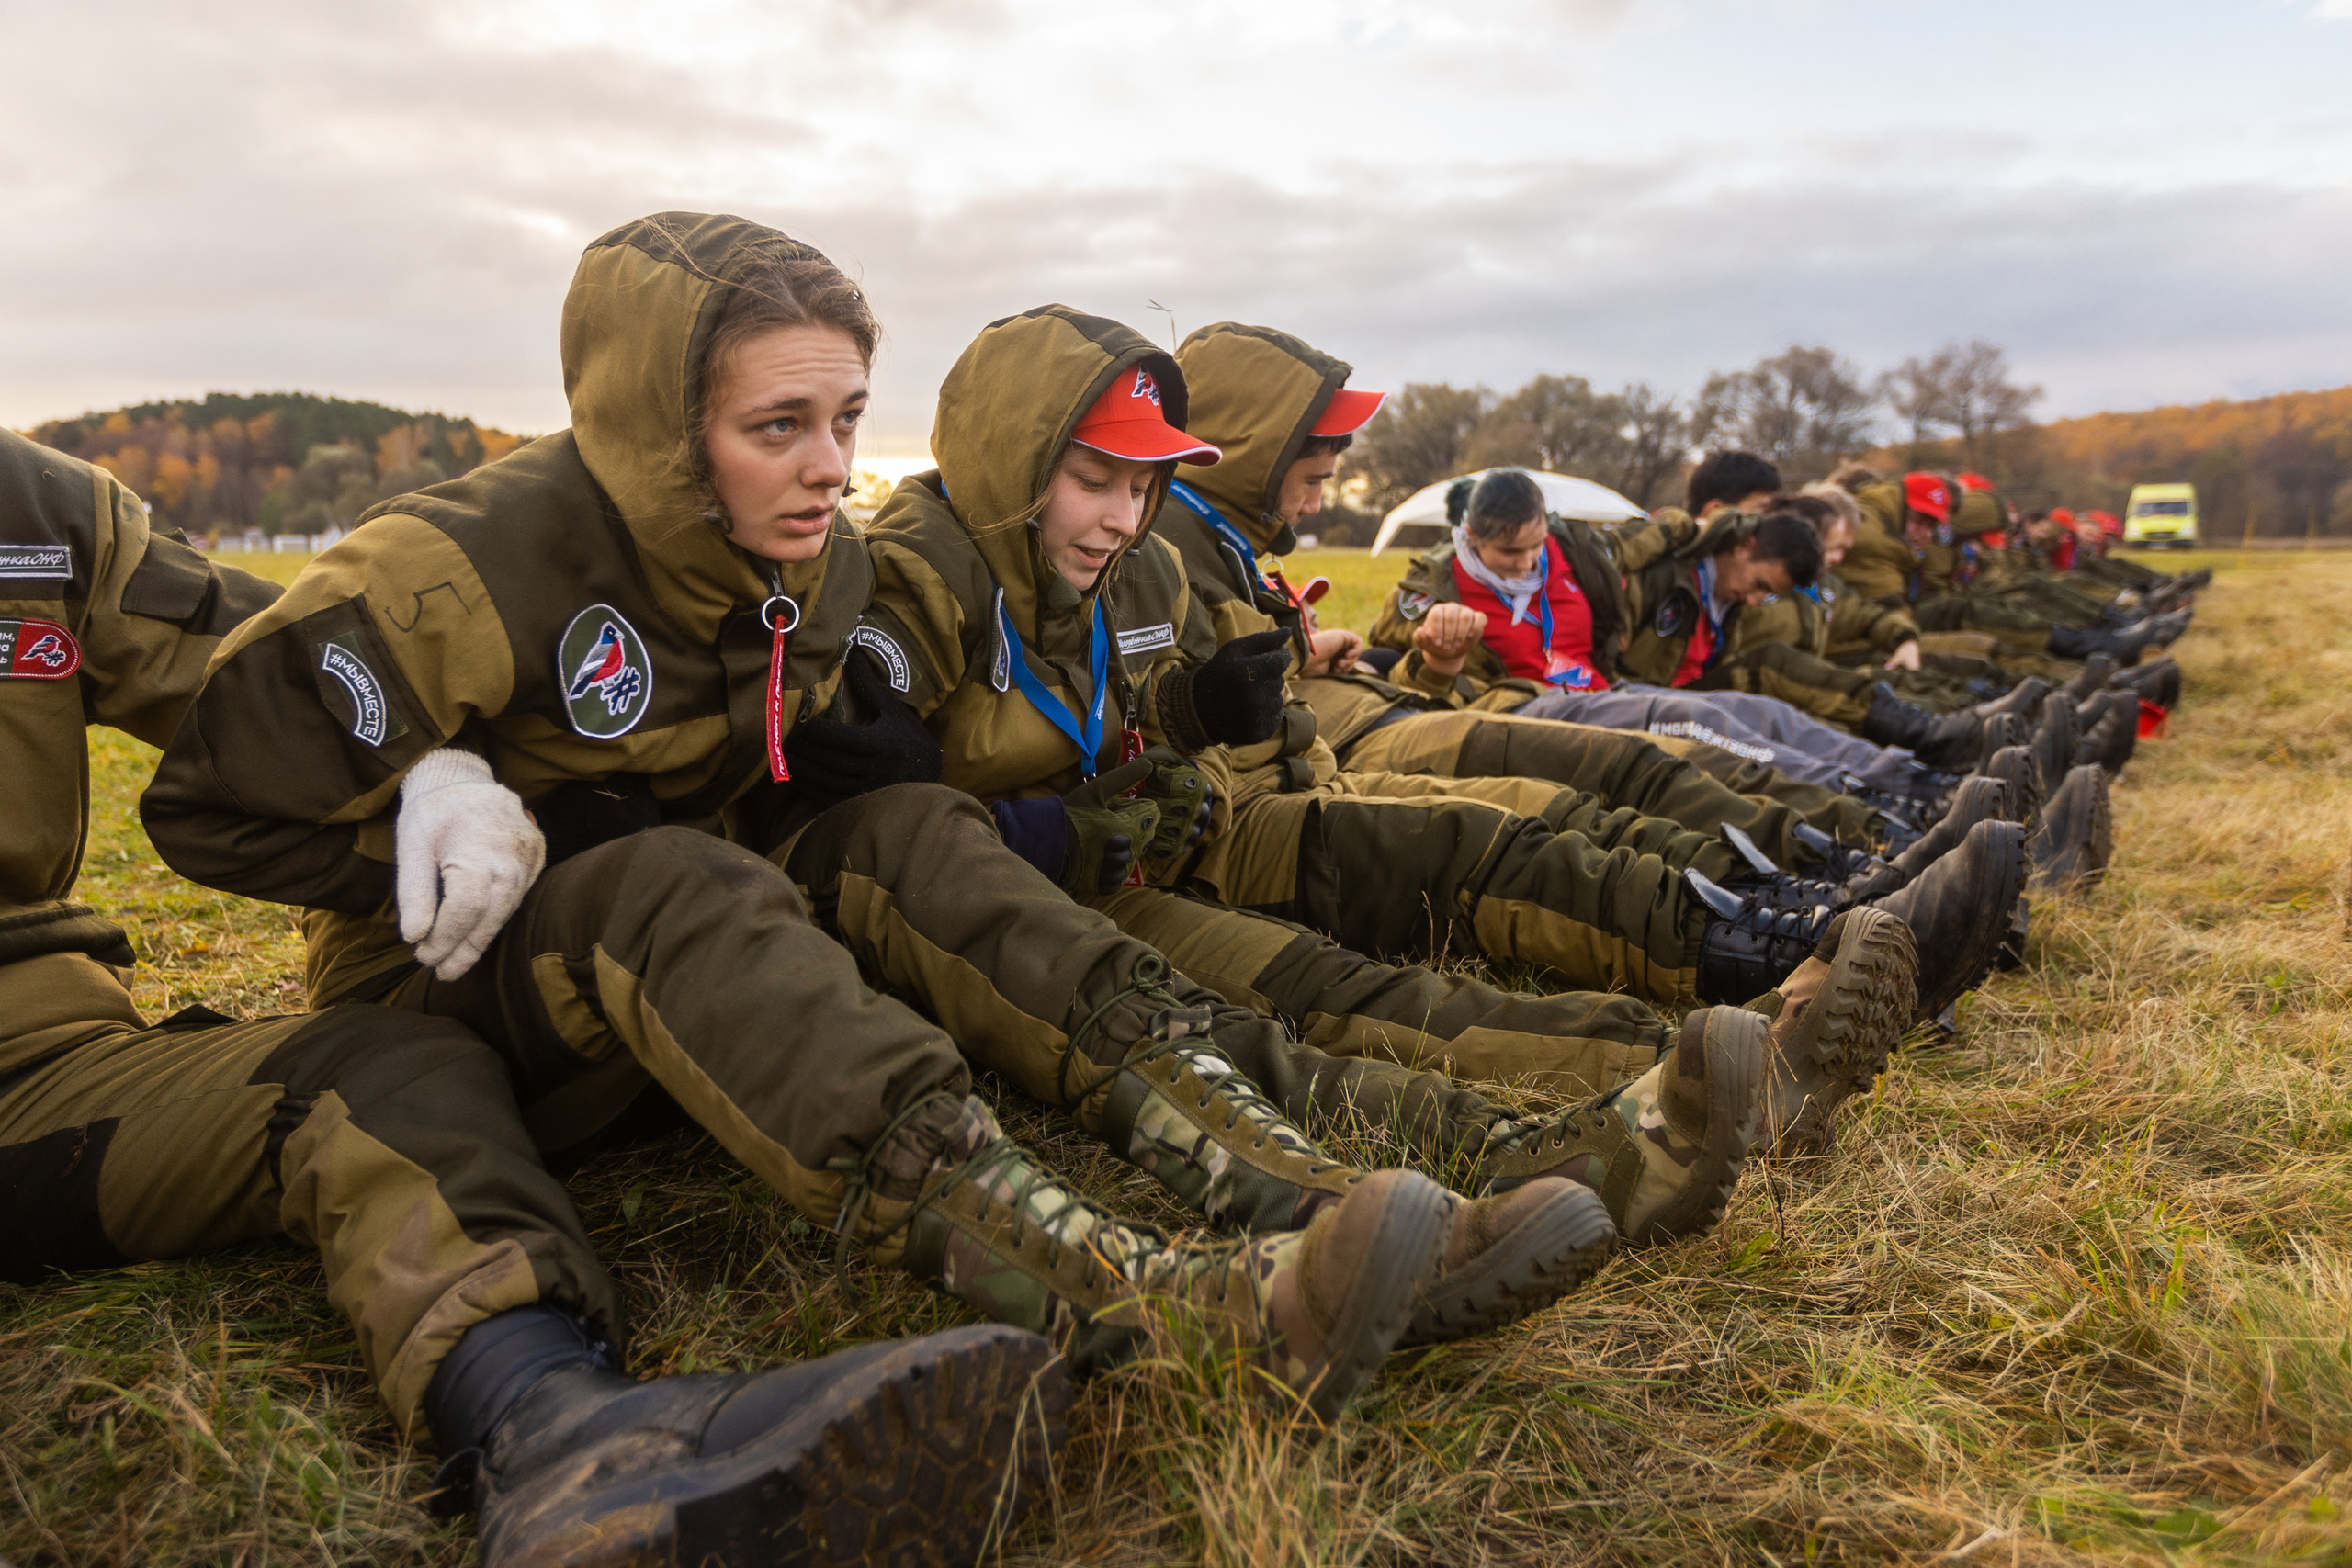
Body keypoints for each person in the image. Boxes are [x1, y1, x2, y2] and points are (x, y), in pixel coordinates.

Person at [141, 213, 1627, 1427]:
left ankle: (1265, 1171)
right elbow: (207, 799)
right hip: (460, 1011)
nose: (828, 466)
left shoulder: (817, 572)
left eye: (846, 418)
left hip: (688, 987)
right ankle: (1135, 1298)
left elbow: (829, 788)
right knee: (666, 873)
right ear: (665, 431)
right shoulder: (465, 561)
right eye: (776, 424)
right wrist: (439, 788)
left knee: (901, 832)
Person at [0, 425, 1067, 1568]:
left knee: (376, 1072)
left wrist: (440, 773)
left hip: (47, 1037)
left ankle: (564, 1438)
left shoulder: (41, 513)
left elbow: (273, 670)